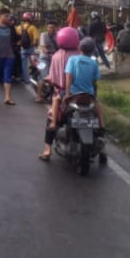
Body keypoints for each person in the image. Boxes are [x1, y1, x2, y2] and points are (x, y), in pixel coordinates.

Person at [39, 25, 80, 159]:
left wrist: (50, 80)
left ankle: (47, 150)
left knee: (51, 118)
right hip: (83, 94)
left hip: (64, 95)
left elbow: (54, 78)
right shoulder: (81, 55)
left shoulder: (57, 56)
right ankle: (102, 151)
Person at [35, 20, 58, 102]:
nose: (51, 29)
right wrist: (49, 53)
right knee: (44, 76)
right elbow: (43, 47)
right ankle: (38, 96)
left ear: (56, 28)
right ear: (47, 28)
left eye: (53, 27)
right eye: (50, 27)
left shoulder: (58, 36)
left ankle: (53, 95)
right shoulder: (43, 35)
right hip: (44, 58)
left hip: (55, 58)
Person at [17, 11, 39, 84]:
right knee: (34, 61)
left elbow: (17, 38)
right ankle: (38, 74)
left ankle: (26, 79)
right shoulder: (33, 27)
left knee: (24, 64)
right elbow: (36, 38)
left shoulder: (19, 27)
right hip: (31, 48)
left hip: (23, 48)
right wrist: (36, 45)